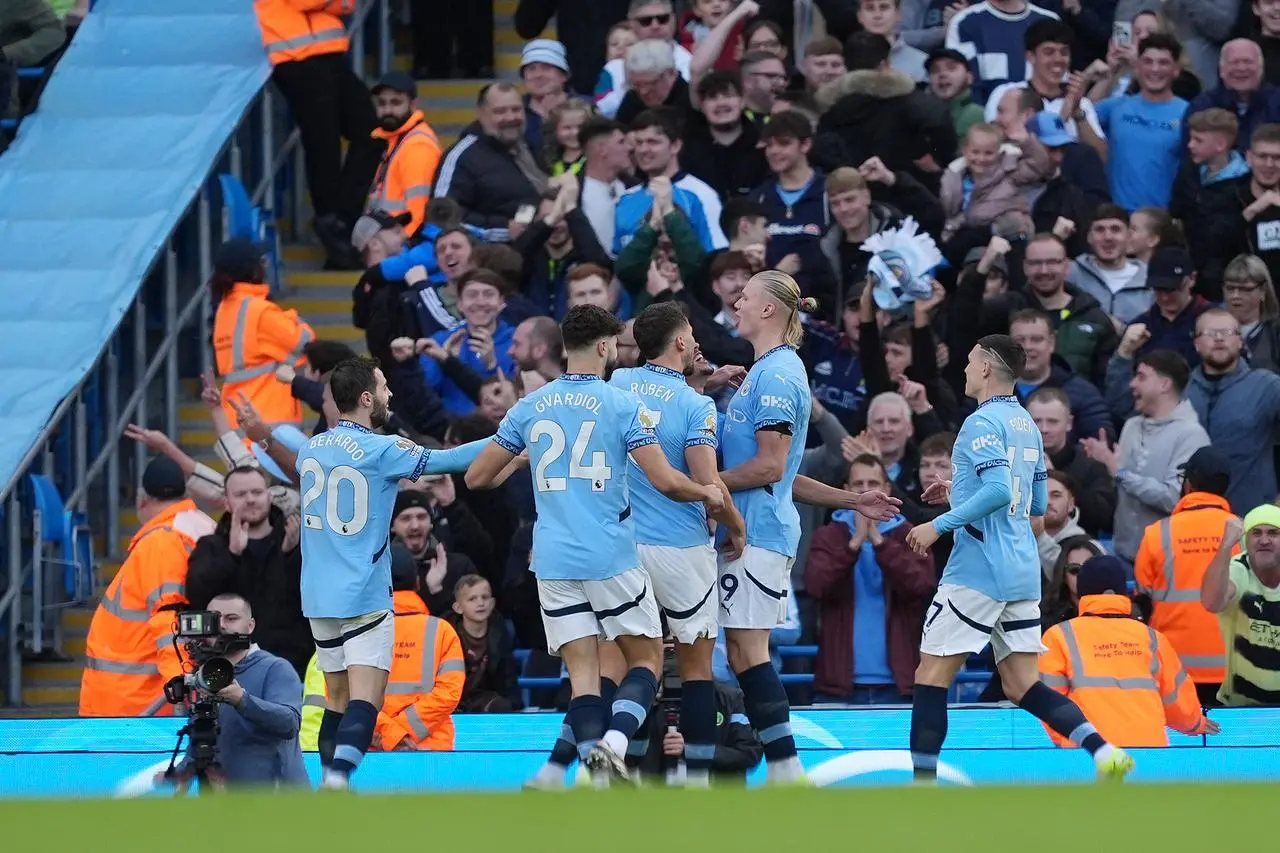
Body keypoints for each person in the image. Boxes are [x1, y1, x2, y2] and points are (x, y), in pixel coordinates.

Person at [465, 304, 726, 785]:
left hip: (552, 558)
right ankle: (615, 742)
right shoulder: (619, 403)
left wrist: (530, 461)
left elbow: (478, 475)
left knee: (585, 676)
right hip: (609, 553)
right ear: (606, 347)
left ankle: (584, 780)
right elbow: (667, 481)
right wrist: (706, 492)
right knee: (647, 658)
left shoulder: (532, 405)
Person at [904, 334, 1134, 782]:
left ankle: (923, 787)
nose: (966, 369)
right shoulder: (1026, 423)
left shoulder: (979, 423)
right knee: (1022, 684)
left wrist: (940, 524)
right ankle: (1103, 750)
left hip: (977, 571)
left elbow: (998, 490)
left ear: (988, 367)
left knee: (930, 675)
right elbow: (1034, 508)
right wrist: (959, 492)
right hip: (1022, 573)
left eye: (970, 361)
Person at [719, 269, 901, 783]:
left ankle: (785, 766)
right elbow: (788, 476)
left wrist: (703, 487)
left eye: (745, 296)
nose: (736, 302)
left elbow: (770, 468)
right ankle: (782, 765)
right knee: (739, 651)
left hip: (756, 533)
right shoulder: (764, 371)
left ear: (770, 310)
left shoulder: (778, 373)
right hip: (753, 527)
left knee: (748, 651)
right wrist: (853, 498)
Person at [296, 357, 494, 790]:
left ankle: (330, 786)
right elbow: (452, 459)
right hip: (363, 593)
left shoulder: (311, 449)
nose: (391, 395)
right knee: (366, 700)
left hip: (316, 595)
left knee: (336, 700)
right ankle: (338, 780)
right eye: (385, 388)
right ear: (366, 398)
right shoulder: (383, 449)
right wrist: (510, 439)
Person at [603, 303, 746, 787]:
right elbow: (707, 483)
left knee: (637, 665)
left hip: (621, 546)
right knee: (697, 664)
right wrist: (737, 525)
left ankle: (632, 773)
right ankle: (697, 783)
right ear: (681, 342)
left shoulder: (616, 385)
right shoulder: (694, 406)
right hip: (680, 547)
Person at [79, 457, 217, 717]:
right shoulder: (203, 525)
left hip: (136, 704)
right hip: (143, 700)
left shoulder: (161, 541)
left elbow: (169, 622)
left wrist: (182, 689)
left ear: (142, 498)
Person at [1038, 556, 1218, 747]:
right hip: (1151, 752)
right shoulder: (1152, 638)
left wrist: (1070, 744)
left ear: (1081, 593)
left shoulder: (1058, 636)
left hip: (1091, 754)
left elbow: (1049, 704)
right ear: (1125, 592)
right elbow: (1176, 700)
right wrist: (1196, 723)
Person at [164, 593, 308, 789]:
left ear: (250, 626)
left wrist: (242, 700)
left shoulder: (275, 668)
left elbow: (289, 723)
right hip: (224, 804)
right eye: (214, 619)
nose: (222, 625)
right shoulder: (203, 672)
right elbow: (201, 732)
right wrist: (182, 771)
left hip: (275, 802)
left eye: (231, 618)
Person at [1133, 446, 1232, 704]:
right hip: (1233, 667)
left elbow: (1142, 600)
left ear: (1188, 484)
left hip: (1174, 668)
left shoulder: (1157, 534)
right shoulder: (1243, 532)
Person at [211, 238, 315, 430]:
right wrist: (291, 316)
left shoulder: (225, 309)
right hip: (269, 425)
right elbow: (306, 344)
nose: (265, 266)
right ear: (252, 269)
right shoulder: (260, 311)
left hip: (237, 421)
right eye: (262, 261)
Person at [1201, 503, 1280, 706]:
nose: (1264, 540)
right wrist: (1225, 546)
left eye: (1273, 533)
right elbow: (1211, 602)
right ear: (1246, 540)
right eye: (1256, 533)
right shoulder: (1239, 568)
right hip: (1241, 709)